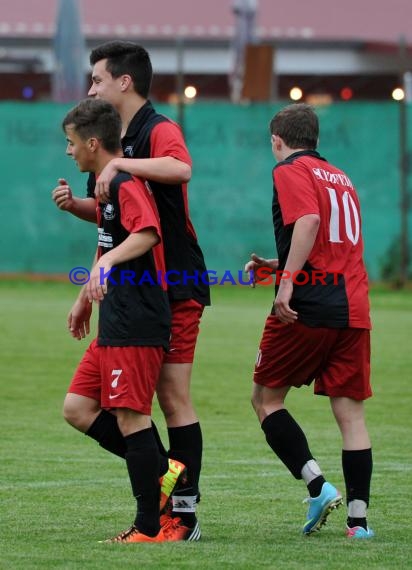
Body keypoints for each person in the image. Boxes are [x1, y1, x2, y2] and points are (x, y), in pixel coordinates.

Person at [52, 41, 209, 541]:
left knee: (170, 399)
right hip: (134, 290)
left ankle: (181, 515)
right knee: (103, 406)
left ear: (124, 81)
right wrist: (81, 206)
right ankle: (164, 485)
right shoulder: (117, 144)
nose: (91, 86)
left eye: (97, 79)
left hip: (172, 281)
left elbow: (181, 171)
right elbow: (114, 223)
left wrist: (122, 167)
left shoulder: (156, 130)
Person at [245, 103, 374, 539]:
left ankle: (317, 486)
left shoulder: (289, 170)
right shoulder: (341, 176)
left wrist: (285, 282)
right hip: (354, 307)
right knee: (351, 415)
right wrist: (278, 261)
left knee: (265, 400)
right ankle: (358, 524)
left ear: (277, 140)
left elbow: (310, 220)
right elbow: (329, 238)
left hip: (310, 304)